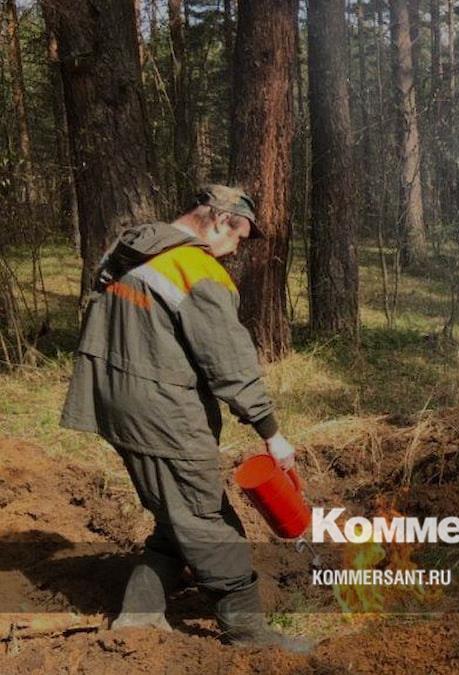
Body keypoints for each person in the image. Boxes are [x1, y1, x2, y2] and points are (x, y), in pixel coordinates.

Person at [60, 185, 309, 652]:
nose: (234, 251)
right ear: (219, 220)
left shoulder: (131, 249)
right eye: (237, 238)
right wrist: (271, 433)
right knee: (205, 516)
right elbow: (230, 365)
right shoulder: (195, 268)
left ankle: (138, 618)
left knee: (173, 513)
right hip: (162, 413)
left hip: (113, 402)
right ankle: (249, 634)